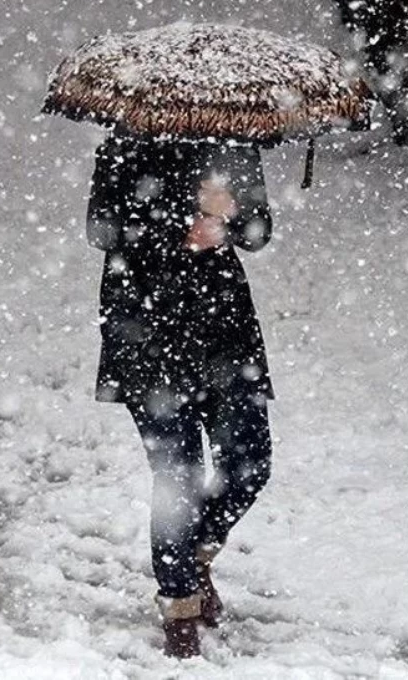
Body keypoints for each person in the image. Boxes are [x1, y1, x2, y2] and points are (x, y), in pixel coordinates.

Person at [86, 128, 275, 659]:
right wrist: (182, 219)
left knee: (250, 462)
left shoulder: (234, 143)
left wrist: (229, 218)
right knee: (179, 477)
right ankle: (179, 609)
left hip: (224, 332)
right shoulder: (125, 145)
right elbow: (102, 230)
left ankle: (192, 557)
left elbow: (259, 232)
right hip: (146, 329)